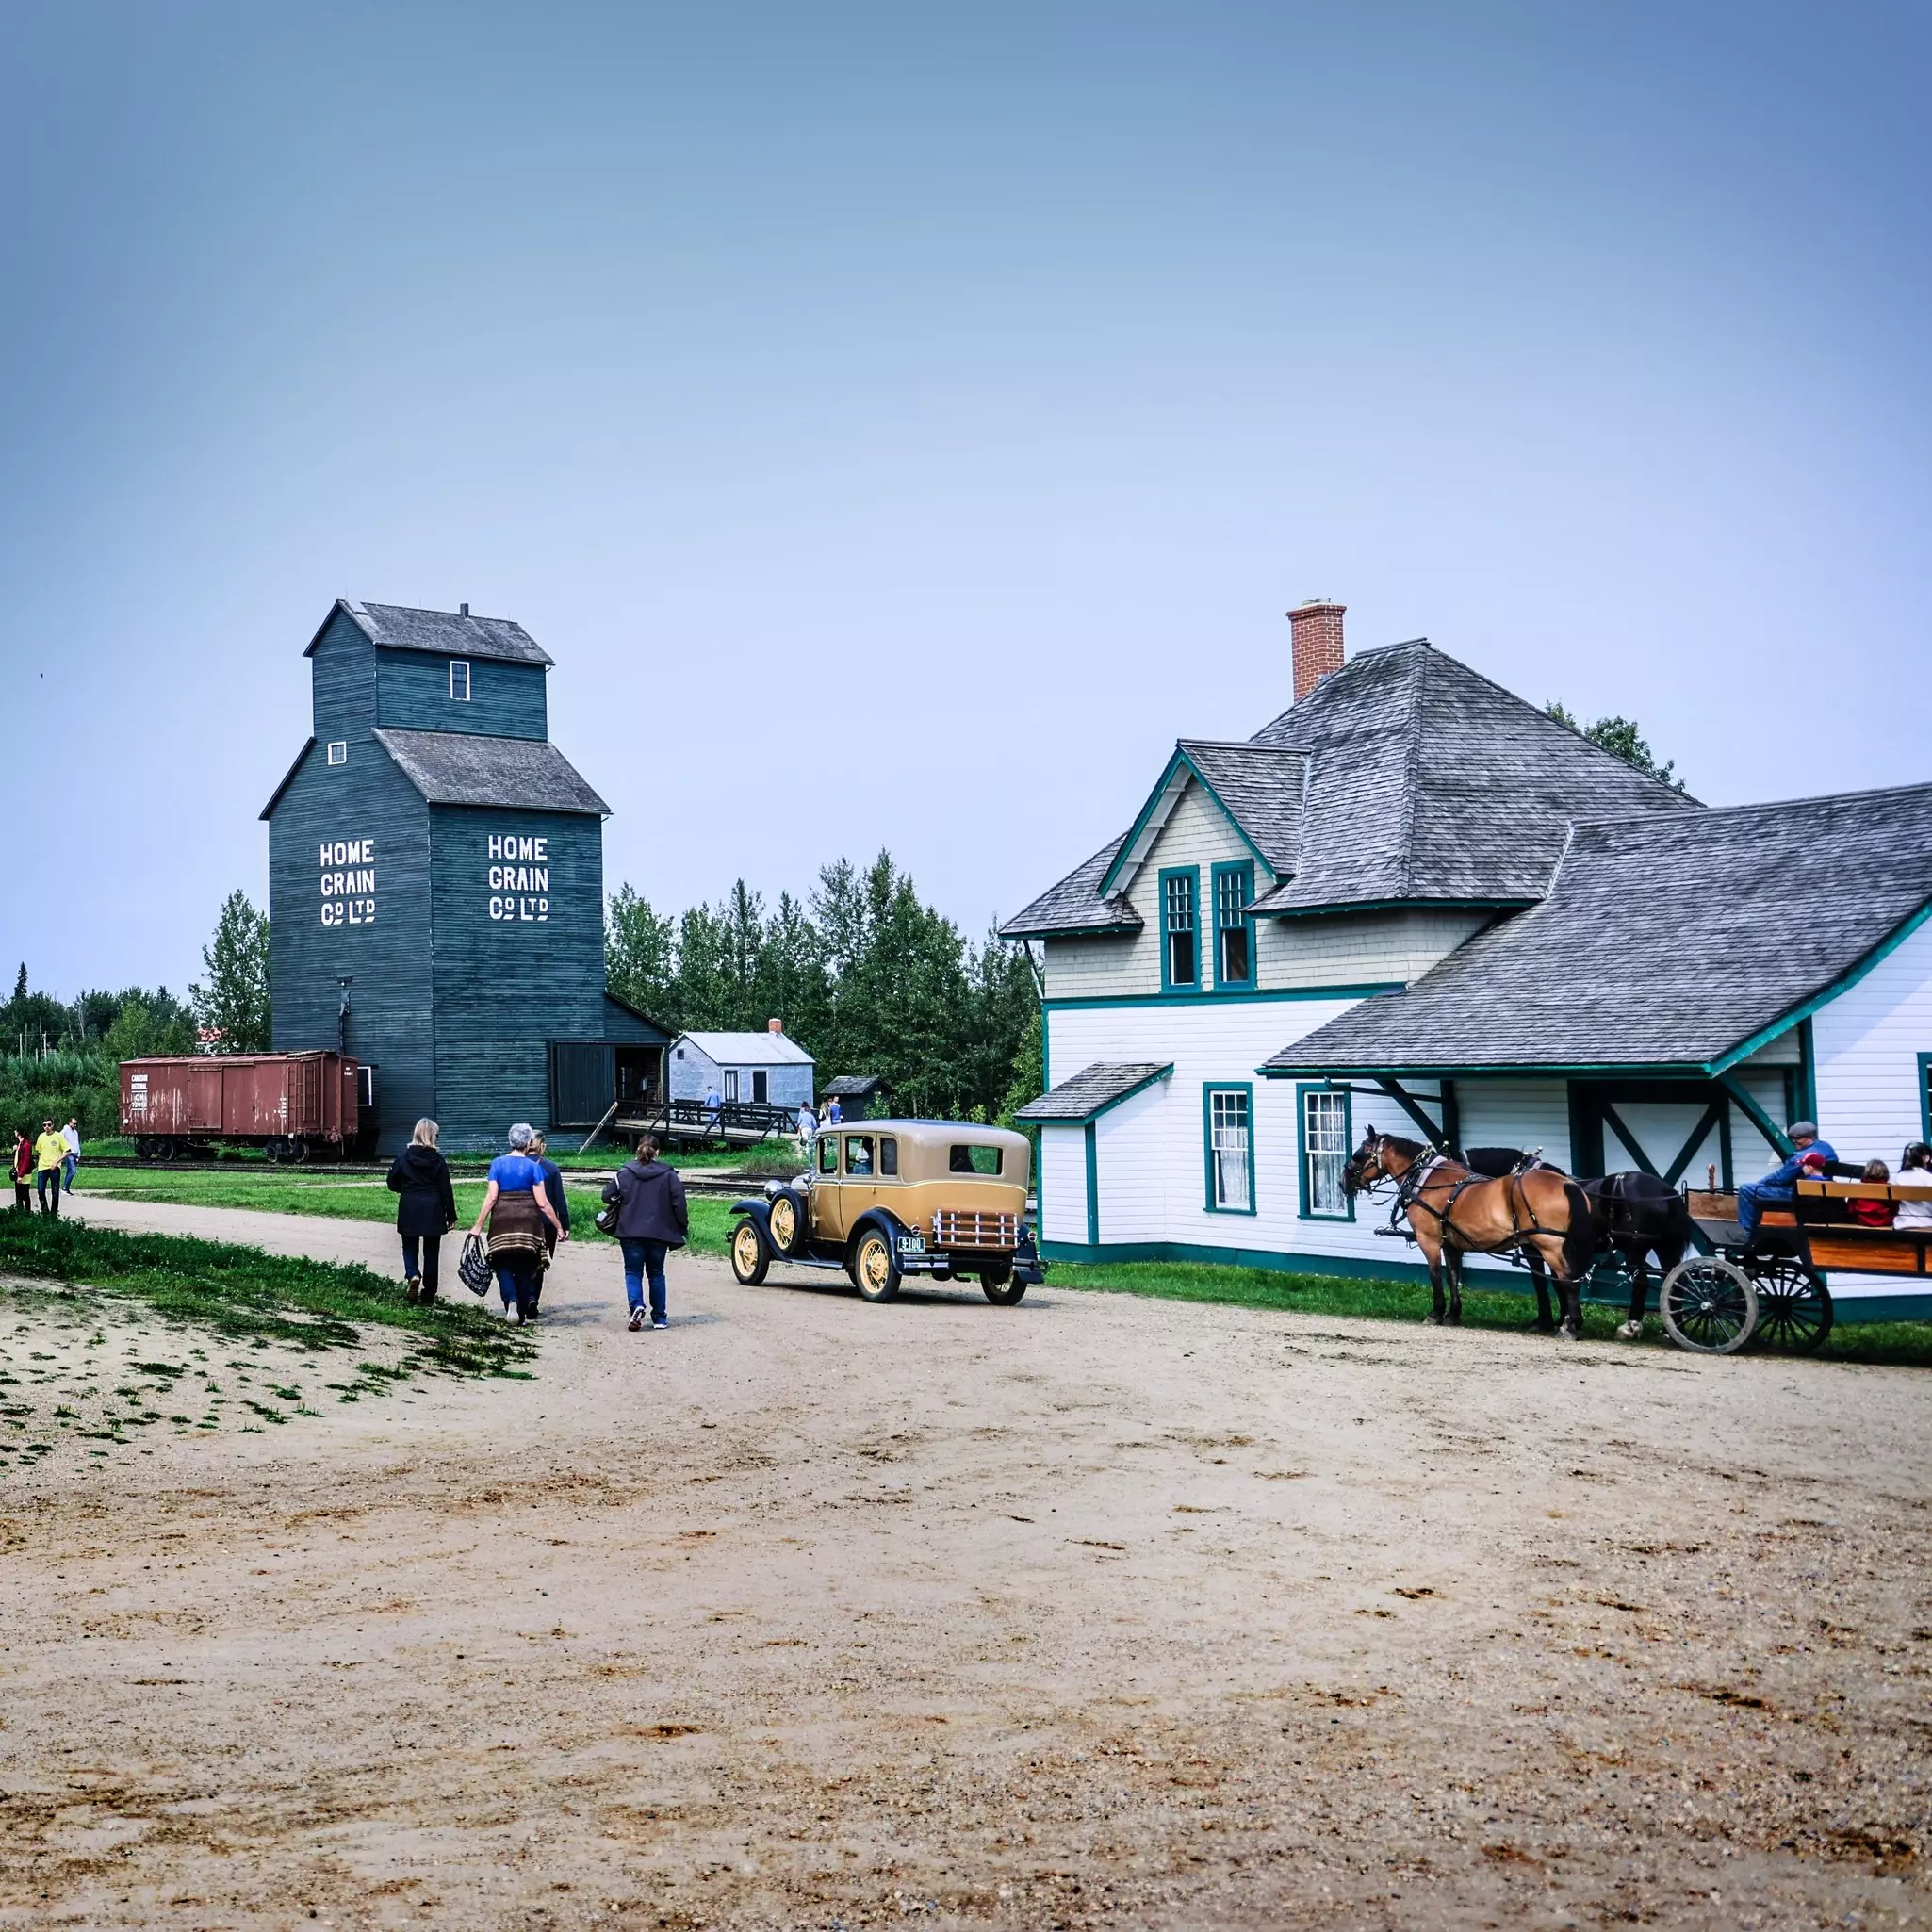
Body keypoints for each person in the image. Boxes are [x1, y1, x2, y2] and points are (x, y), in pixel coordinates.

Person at [467, 1122, 564, 1325]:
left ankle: (510, 1300)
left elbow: (492, 1197)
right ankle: (519, 1311)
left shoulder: (497, 1164)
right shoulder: (534, 1167)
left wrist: (478, 1225)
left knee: (501, 1262)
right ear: (528, 1143)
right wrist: (558, 1226)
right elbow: (543, 1203)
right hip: (528, 1222)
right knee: (524, 1265)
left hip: (502, 1220)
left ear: (510, 1141)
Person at [600, 1133, 688, 1332]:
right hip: (660, 1233)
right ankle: (659, 1318)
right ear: (657, 1151)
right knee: (656, 1274)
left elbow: (607, 1195)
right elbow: (680, 1204)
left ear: (637, 1149)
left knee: (633, 1272)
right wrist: (682, 1226)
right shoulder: (669, 1174)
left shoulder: (624, 1172)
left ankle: (637, 1306)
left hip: (630, 1231)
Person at [387, 1118, 457, 1302]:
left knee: (409, 1246)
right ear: (433, 1136)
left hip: (410, 1206)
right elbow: (446, 1190)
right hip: (433, 1209)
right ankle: (429, 1293)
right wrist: (451, 1215)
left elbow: (391, 1182)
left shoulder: (403, 1157)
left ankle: (413, 1274)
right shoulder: (438, 1160)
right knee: (431, 1252)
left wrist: (405, 1190)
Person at [1736, 1121, 1837, 1238]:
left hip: (1801, 1196)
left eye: (1798, 1138)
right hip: (1820, 1194)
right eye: (1792, 1138)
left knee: (1746, 1189)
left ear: (1810, 1137)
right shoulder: (1827, 1148)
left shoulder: (1801, 1156)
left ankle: (1746, 1233)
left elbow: (1779, 1178)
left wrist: (1759, 1185)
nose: (1794, 1141)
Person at [526, 1133, 572, 1315]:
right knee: (540, 1261)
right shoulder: (551, 1168)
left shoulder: (517, 1166)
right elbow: (559, 1199)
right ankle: (532, 1298)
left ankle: (520, 1296)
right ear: (542, 1146)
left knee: (522, 1261)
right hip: (547, 1223)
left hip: (522, 1220)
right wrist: (565, 1224)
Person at [1850, 1158, 1897, 1228]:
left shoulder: (1858, 1188)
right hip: (1883, 1221)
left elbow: (1851, 1209)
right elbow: (1895, 1208)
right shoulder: (1889, 1188)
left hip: (1862, 1221)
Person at [34, 1119, 66, 1218]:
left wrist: (56, 1161)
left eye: (49, 1125)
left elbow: (68, 1151)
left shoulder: (58, 1136)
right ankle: (45, 1212)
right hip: (43, 1168)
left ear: (52, 1125)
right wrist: (40, 1162)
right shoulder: (41, 1137)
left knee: (55, 1193)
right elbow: (39, 1151)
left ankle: (53, 1215)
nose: (46, 1127)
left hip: (54, 1168)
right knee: (40, 1191)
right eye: (44, 1125)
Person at [1896, 1141, 1932, 1229]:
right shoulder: (1928, 1178)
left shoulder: (1898, 1177)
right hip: (1927, 1223)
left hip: (1903, 1224)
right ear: (1926, 1158)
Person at [11, 1130, 33, 1212]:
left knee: (25, 1196)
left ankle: (27, 1214)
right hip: (18, 1173)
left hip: (24, 1175)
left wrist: (20, 1175)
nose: (14, 1132)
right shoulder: (20, 1143)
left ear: (19, 1133)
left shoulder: (26, 1144)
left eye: (16, 1131)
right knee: (18, 1195)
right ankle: (19, 1213)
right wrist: (15, 1150)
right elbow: (19, 1159)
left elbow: (26, 1161)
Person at [59, 1117, 80, 1195]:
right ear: (70, 1123)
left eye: (76, 1124)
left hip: (75, 1153)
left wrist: (79, 1153)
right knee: (73, 1171)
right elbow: (60, 1138)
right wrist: (63, 1149)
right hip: (69, 1153)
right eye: (73, 1124)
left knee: (69, 1171)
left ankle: (66, 1189)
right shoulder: (65, 1130)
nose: (75, 1125)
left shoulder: (75, 1132)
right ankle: (64, 1189)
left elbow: (77, 1143)